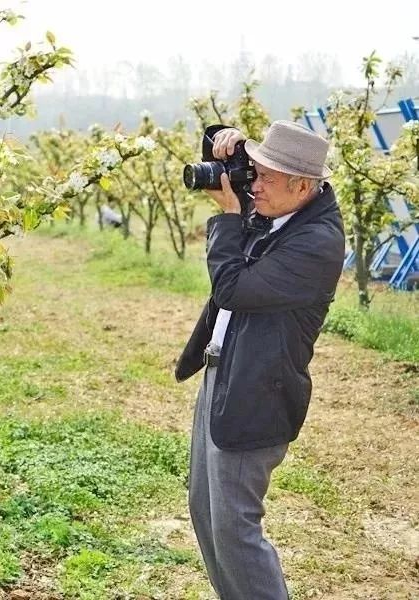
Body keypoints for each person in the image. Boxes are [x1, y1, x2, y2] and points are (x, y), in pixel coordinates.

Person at [175, 120, 345, 599]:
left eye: (266, 176)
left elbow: (233, 290)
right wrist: (223, 137)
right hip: (222, 372)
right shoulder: (282, 205)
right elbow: (227, 167)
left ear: (304, 186)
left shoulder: (317, 243)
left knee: (236, 532)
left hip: (257, 392)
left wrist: (228, 220)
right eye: (255, 170)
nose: (254, 184)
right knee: (206, 514)